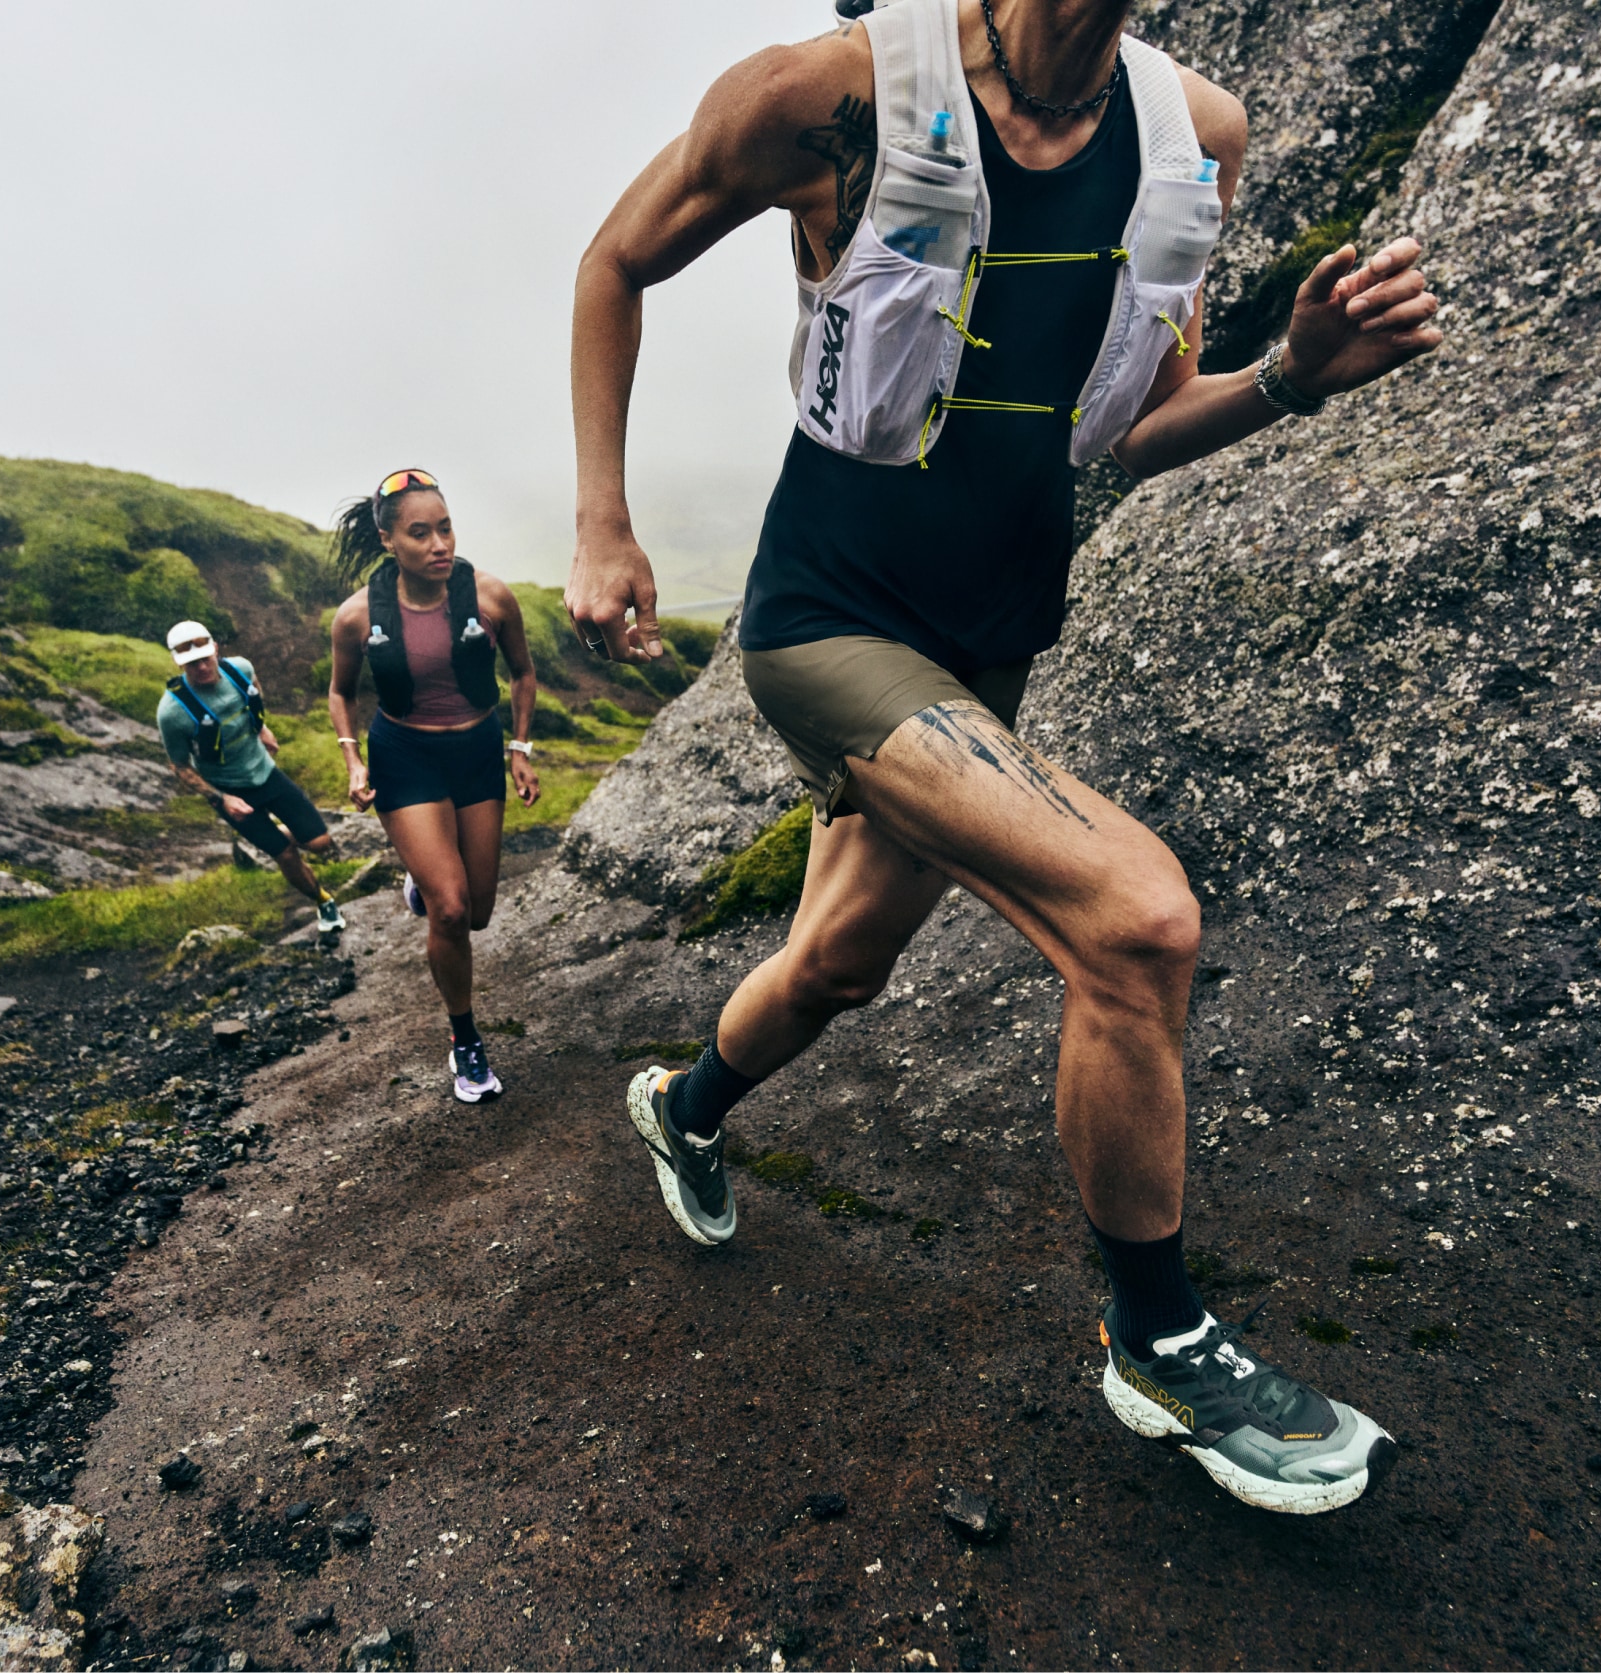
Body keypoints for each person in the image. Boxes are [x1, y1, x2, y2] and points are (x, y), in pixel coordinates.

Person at [566, 0, 1443, 1514]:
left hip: (988, 642)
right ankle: (1158, 1338)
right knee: (1136, 917)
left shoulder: (1195, 140)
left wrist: (1292, 374)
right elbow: (614, 260)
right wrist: (602, 521)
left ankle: (686, 1106)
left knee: (838, 962)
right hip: (827, 619)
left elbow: (1128, 430)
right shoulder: (827, 95)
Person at [326, 469, 542, 1103]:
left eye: (445, 528)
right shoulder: (358, 617)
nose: (439, 544)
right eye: (420, 534)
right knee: (450, 909)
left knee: (477, 912)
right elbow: (340, 693)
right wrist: (353, 761)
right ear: (389, 540)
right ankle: (465, 1040)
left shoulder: (491, 598)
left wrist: (520, 748)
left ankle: (425, 883)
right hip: (406, 755)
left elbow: (523, 675)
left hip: (476, 751)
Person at [157, 620, 345, 936]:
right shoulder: (172, 712)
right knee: (285, 854)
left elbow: (254, 693)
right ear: (179, 664)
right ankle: (323, 901)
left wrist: (261, 727)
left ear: (216, 649)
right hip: (229, 792)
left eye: (205, 657)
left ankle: (279, 832)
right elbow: (179, 766)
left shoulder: (240, 668)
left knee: (321, 843)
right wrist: (222, 799)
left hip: (265, 773)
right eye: (191, 664)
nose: (202, 667)